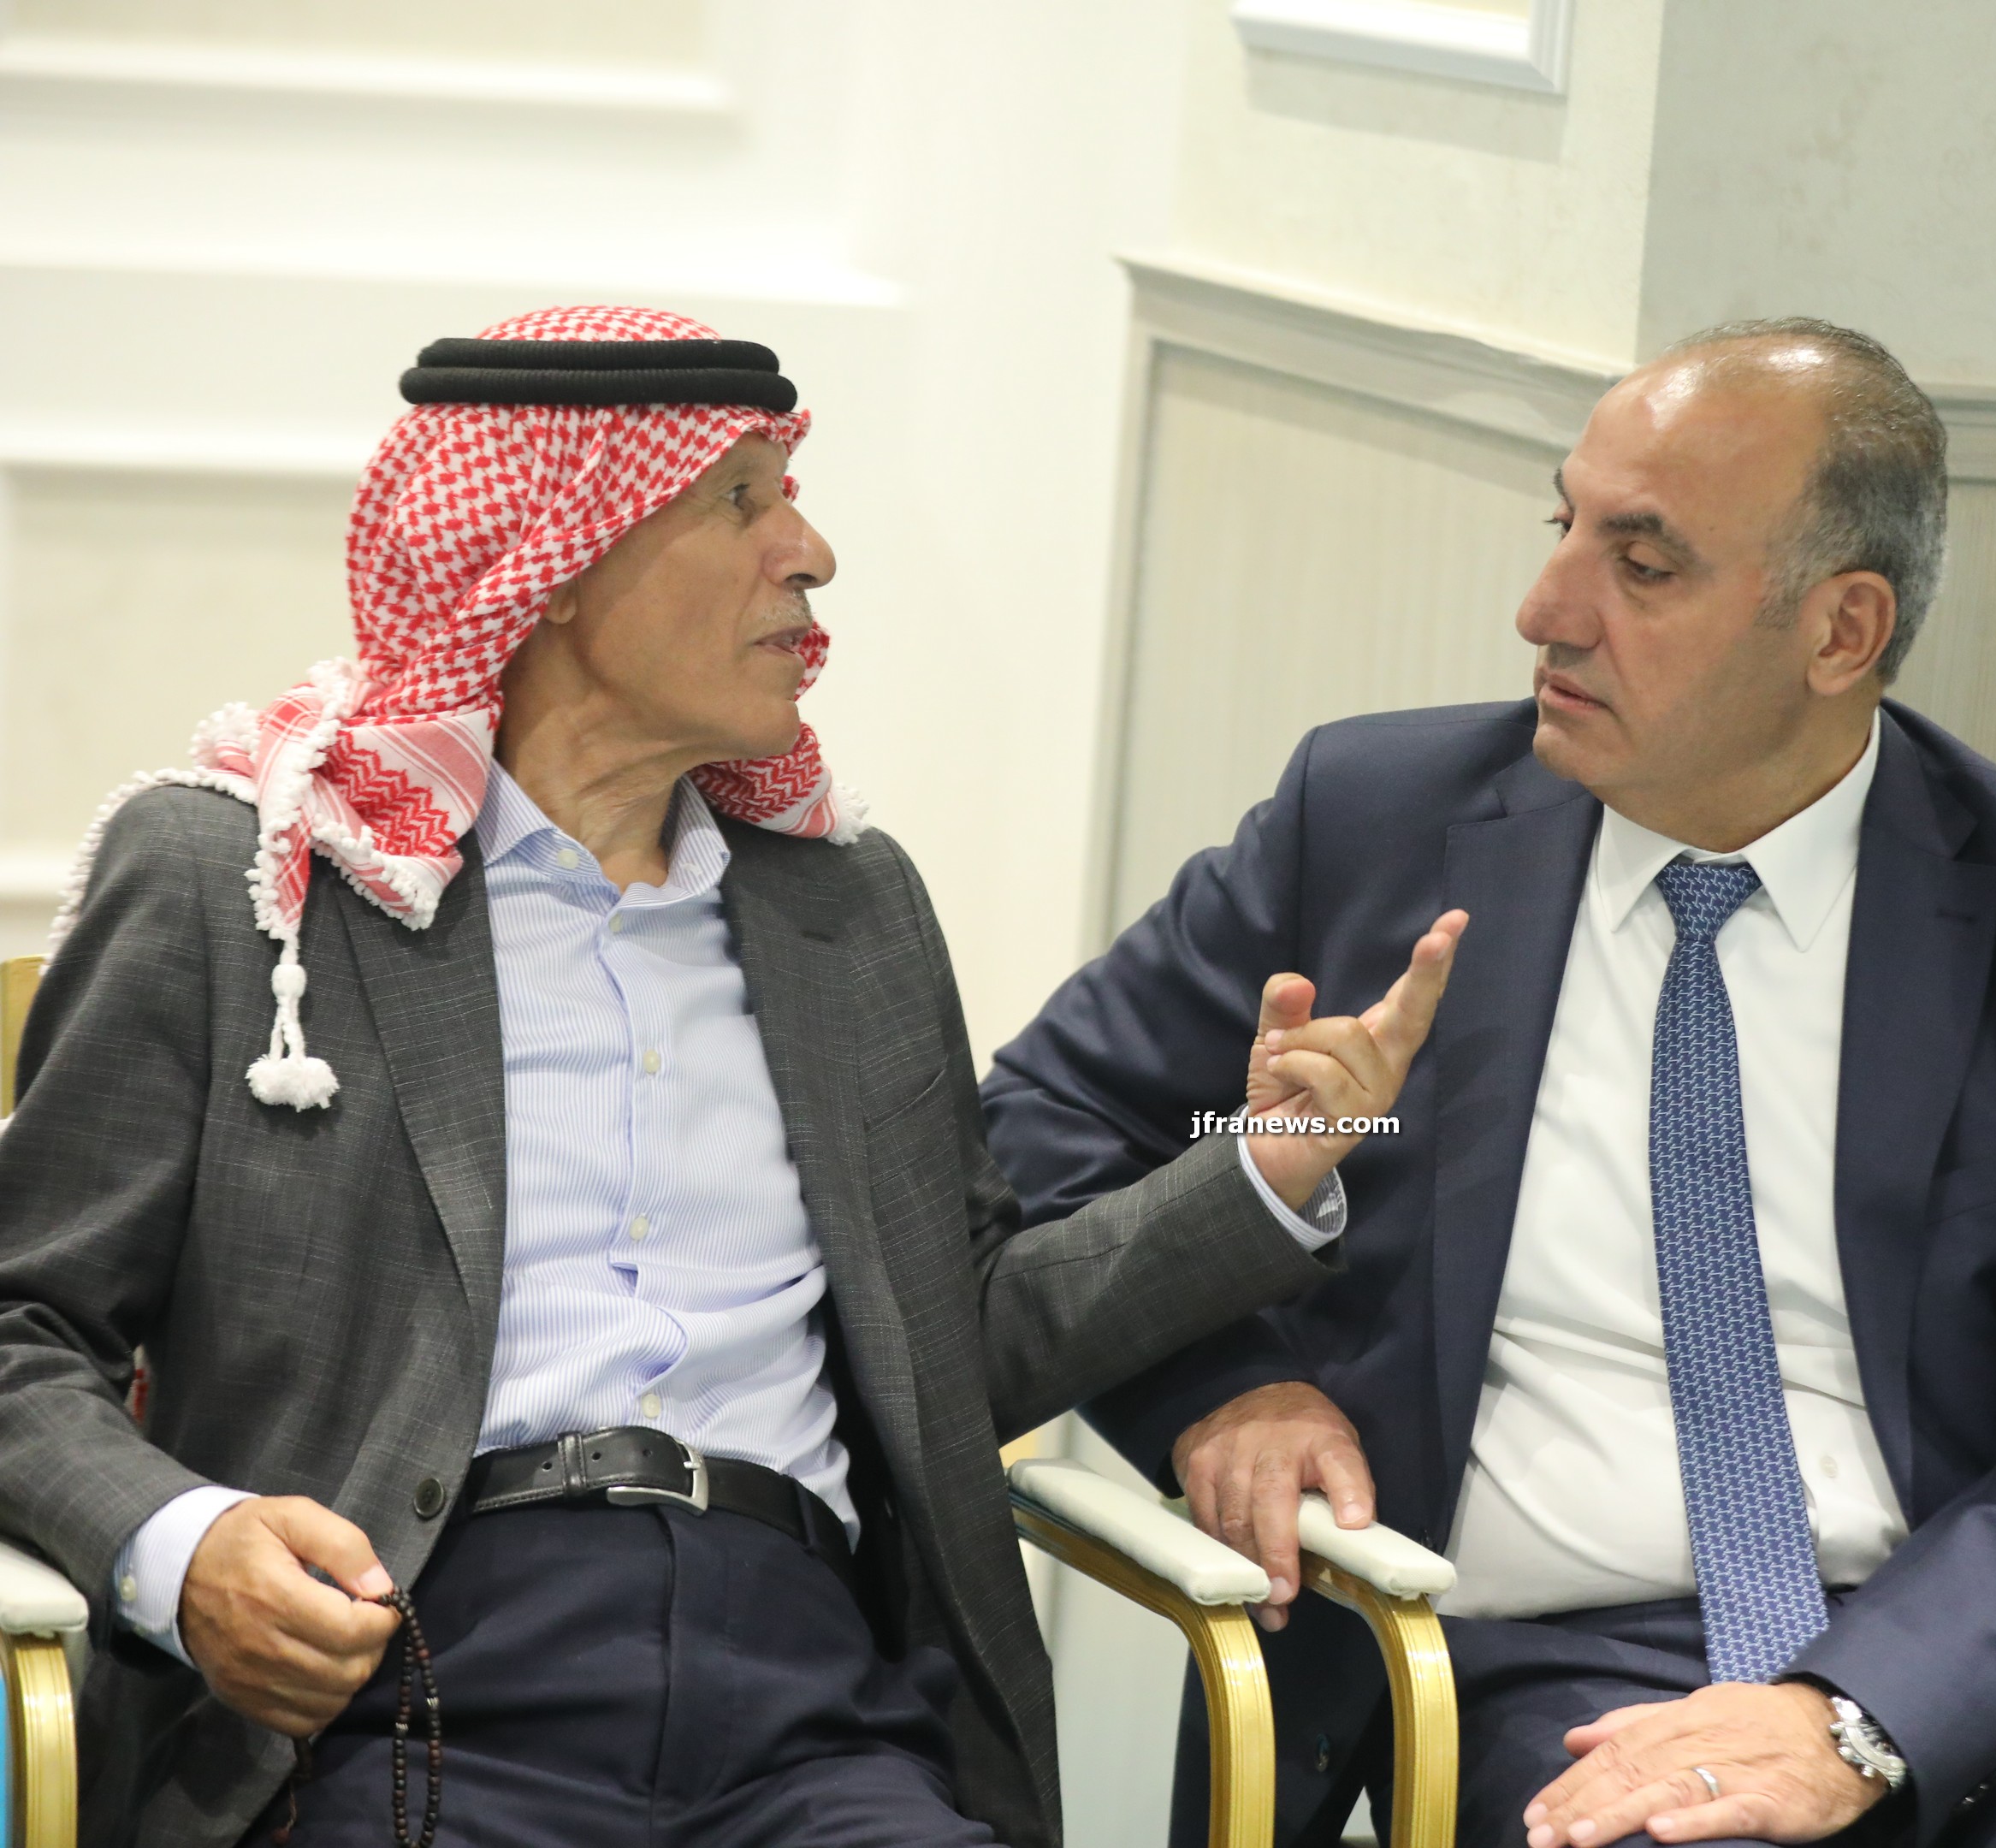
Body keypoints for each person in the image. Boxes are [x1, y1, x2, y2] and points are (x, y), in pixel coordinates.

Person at [0, 305, 1463, 1848]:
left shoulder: (846, 912)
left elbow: (956, 1343)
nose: (811, 554)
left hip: (809, 1709)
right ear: (559, 558)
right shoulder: (253, 882)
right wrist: (183, 1545)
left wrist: (1263, 1169)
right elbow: (23, 1327)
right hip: (399, 1688)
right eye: (742, 500)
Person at [981, 319, 1996, 1847]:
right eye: (1564, 527)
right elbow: (1041, 1134)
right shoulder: (1375, 827)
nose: (1546, 609)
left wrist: (1860, 1709)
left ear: (1842, 632)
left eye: (1643, 565)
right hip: (1559, 1663)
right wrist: (1226, 1387)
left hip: (1987, 1661)